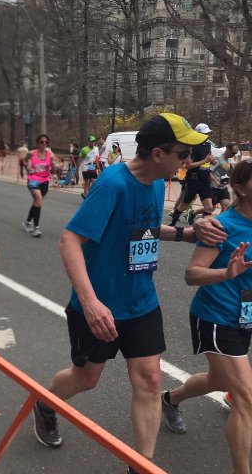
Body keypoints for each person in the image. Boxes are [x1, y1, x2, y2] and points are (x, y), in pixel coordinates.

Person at [31, 113, 227, 474]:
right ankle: (44, 405)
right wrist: (91, 303)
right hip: (99, 307)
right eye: (182, 154)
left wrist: (185, 234)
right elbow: (70, 239)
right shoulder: (113, 184)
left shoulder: (156, 182)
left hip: (141, 301)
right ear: (157, 153)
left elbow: (143, 228)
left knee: (150, 380)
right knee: (86, 379)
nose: (187, 161)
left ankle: (141, 466)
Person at [161, 159, 252, 474]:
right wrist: (226, 273)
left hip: (245, 316)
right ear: (239, 188)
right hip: (216, 316)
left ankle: (170, 399)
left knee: (218, 380)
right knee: (245, 397)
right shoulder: (223, 227)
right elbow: (192, 274)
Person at [169, 123, 216, 226]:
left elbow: (208, 157)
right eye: (204, 133)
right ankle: (172, 224)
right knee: (182, 206)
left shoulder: (207, 145)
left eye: (208, 133)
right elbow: (187, 165)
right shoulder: (192, 146)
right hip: (193, 179)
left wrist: (212, 160)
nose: (207, 135)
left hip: (205, 179)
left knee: (209, 207)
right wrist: (204, 161)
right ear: (197, 134)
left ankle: (204, 227)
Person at [22, 134, 55, 238]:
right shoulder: (31, 153)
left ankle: (27, 221)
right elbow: (24, 160)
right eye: (42, 142)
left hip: (45, 181)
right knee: (39, 200)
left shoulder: (50, 155)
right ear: (38, 143)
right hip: (33, 180)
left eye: (46, 142)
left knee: (37, 202)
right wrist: (27, 168)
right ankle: (36, 228)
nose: (44, 143)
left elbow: (53, 171)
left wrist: (53, 164)